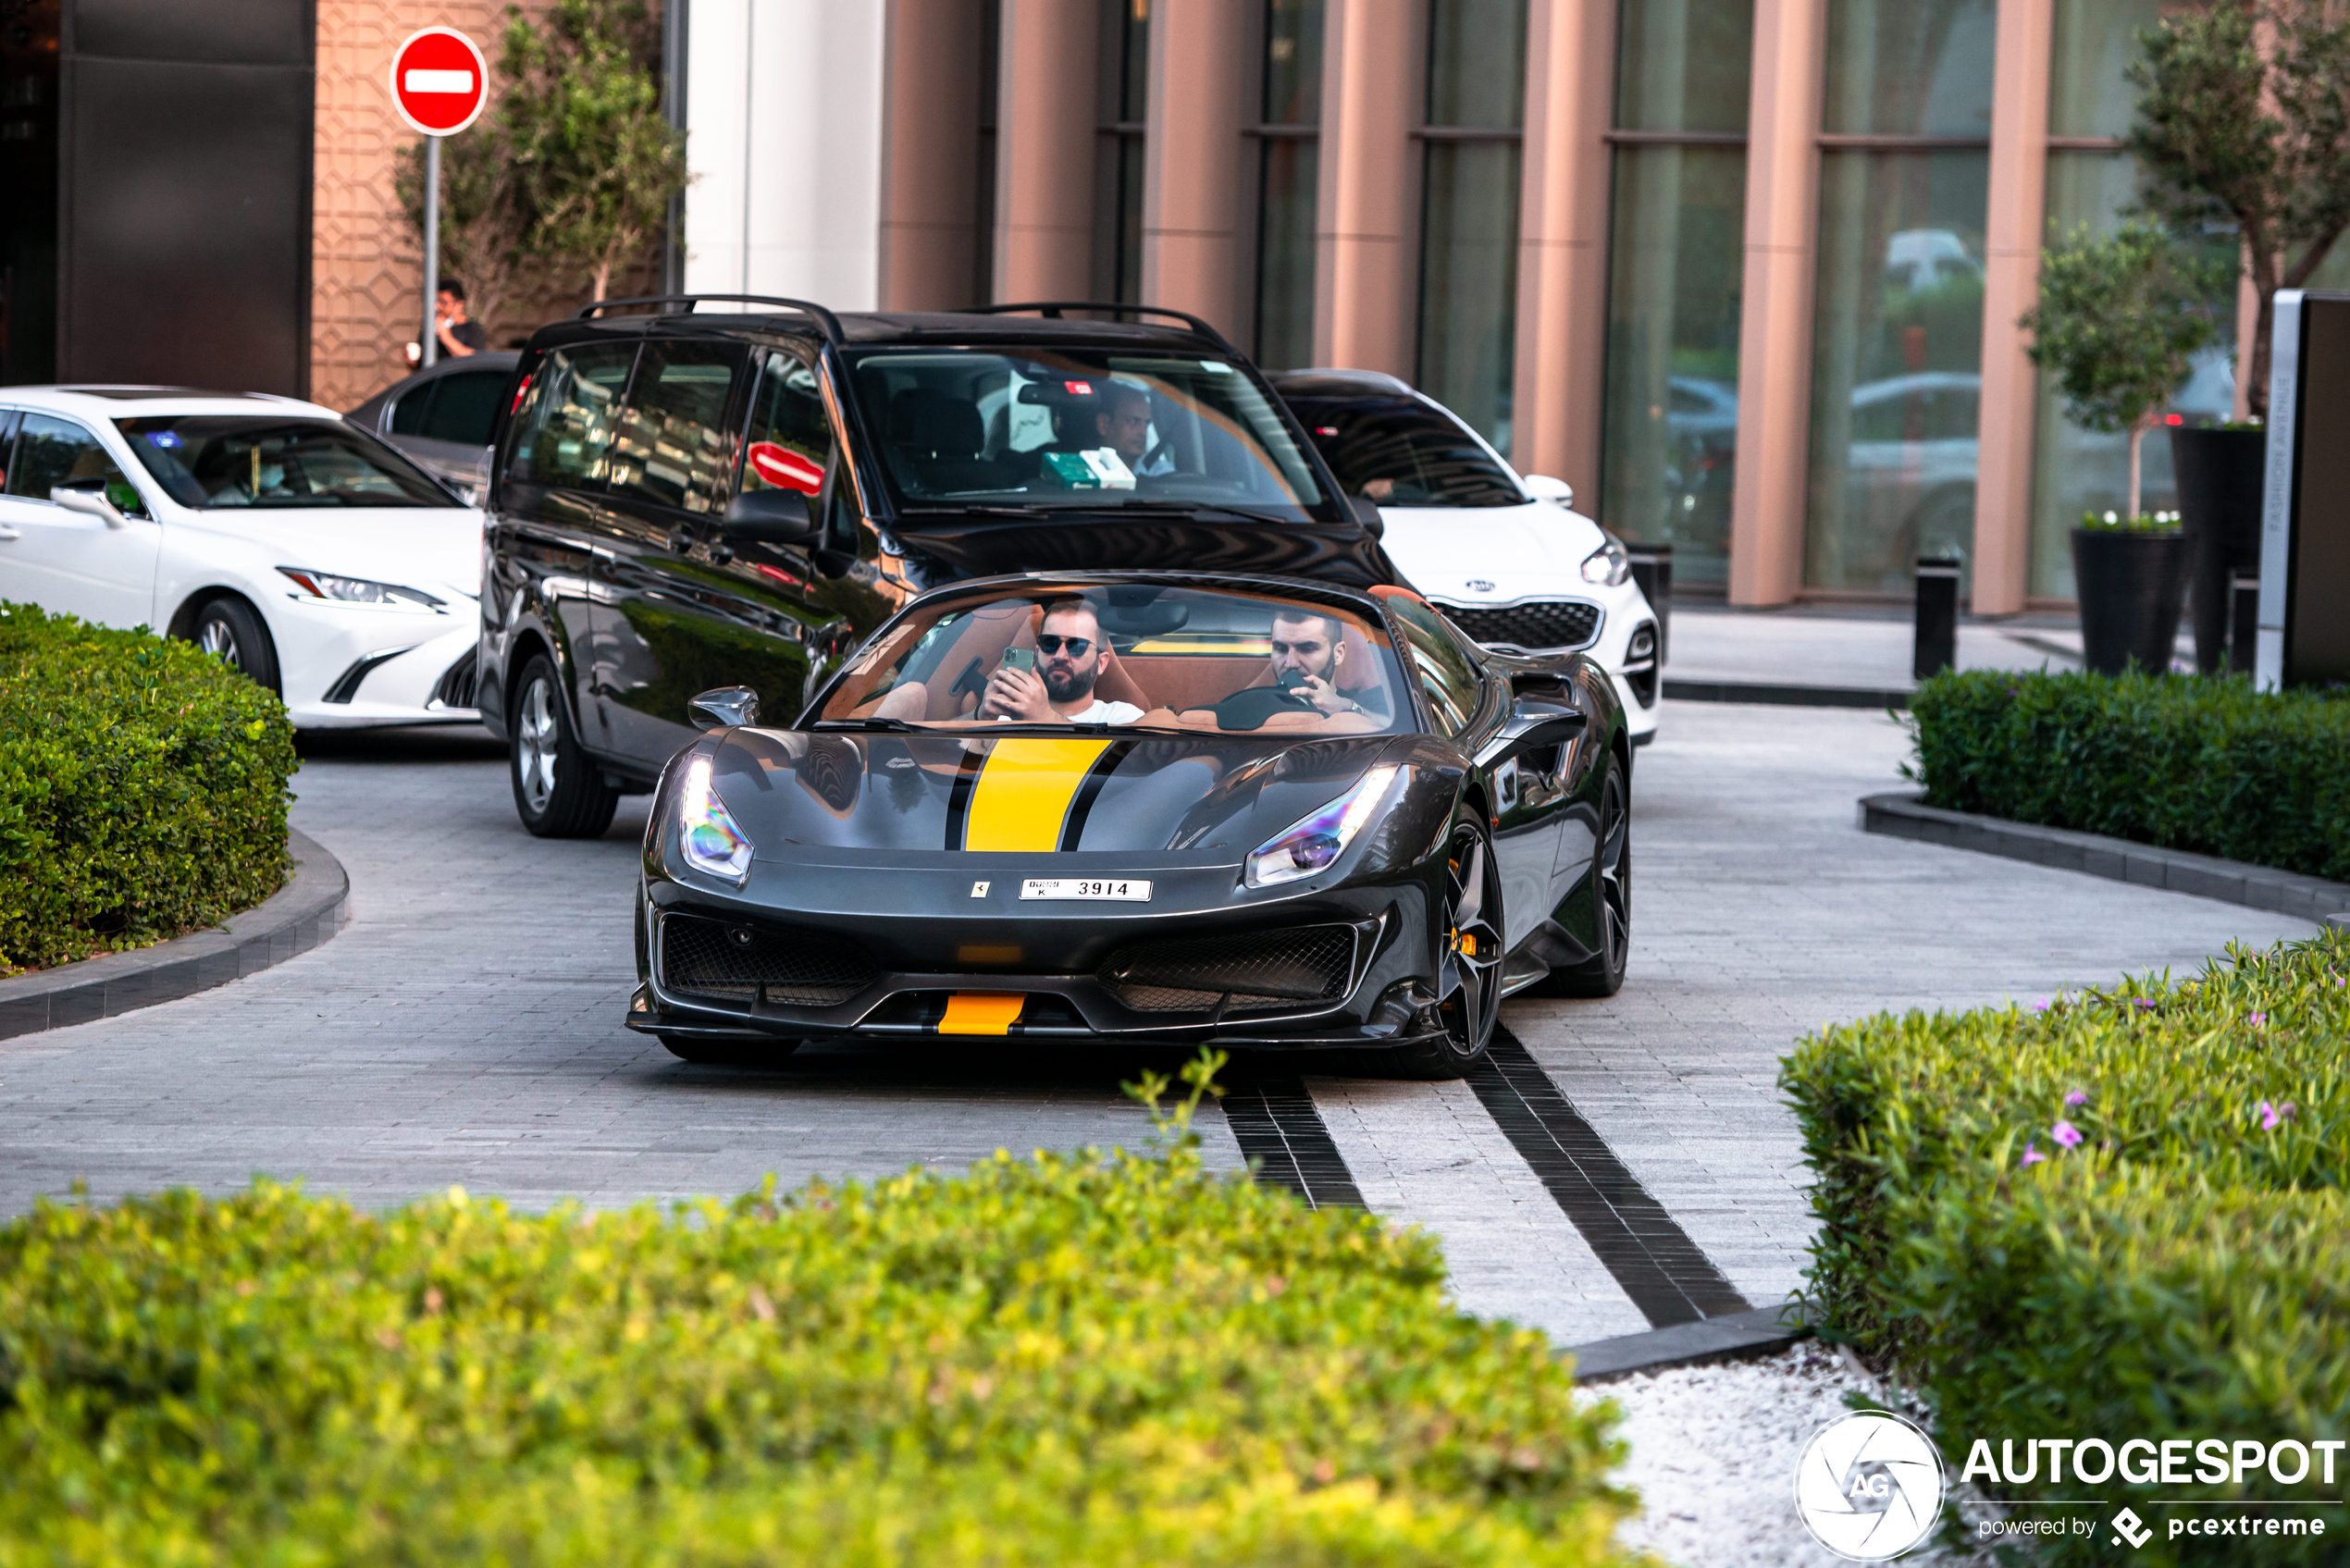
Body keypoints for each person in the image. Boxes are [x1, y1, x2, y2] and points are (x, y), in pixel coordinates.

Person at [978, 599, 1143, 724]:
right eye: (1050, 644)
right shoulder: (1005, 717)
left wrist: (1045, 717)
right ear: (1037, 653)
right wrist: (979, 716)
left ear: (1101, 663)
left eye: (1076, 646)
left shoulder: (1122, 718)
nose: (1060, 655)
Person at [1268, 608, 1377, 719]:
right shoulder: (1257, 703)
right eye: (1281, 649)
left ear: (1338, 653)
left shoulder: (1371, 703)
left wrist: (1348, 708)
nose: (1291, 663)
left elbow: (1384, 723)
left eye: (1307, 649)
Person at [1093, 382, 1172, 476]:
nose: (1144, 432)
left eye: (1146, 423)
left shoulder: (1163, 477)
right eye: (1133, 421)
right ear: (1104, 424)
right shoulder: (1082, 475)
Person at [434, 279, 488, 359]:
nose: (438, 307)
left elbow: (476, 360)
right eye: (436, 301)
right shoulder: (430, 330)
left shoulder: (472, 329)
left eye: (444, 302)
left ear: (459, 304)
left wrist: (447, 338)